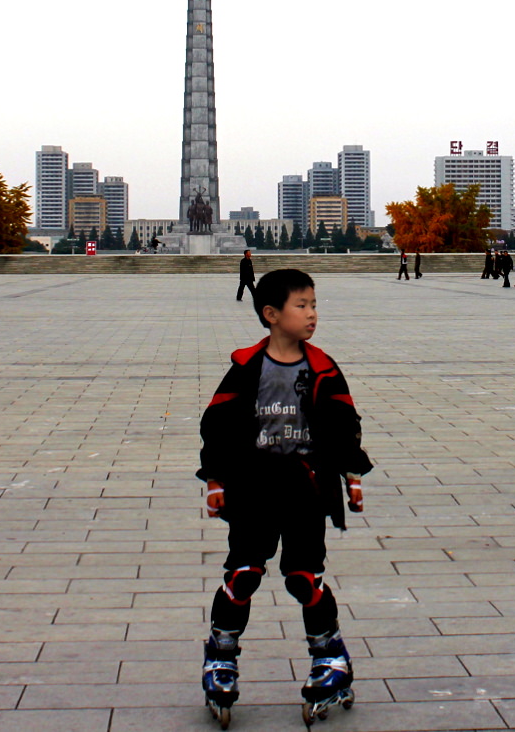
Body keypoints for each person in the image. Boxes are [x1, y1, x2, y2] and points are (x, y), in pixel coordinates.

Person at [198, 269, 372, 726]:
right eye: (302, 306)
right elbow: (216, 425)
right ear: (271, 315)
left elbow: (343, 424)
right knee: (243, 574)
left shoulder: (323, 368)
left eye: (314, 305)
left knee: (304, 577)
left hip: (304, 488)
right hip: (253, 486)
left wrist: (351, 474)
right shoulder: (246, 367)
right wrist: (215, 479)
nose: (312, 314)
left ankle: (329, 657)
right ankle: (221, 656)